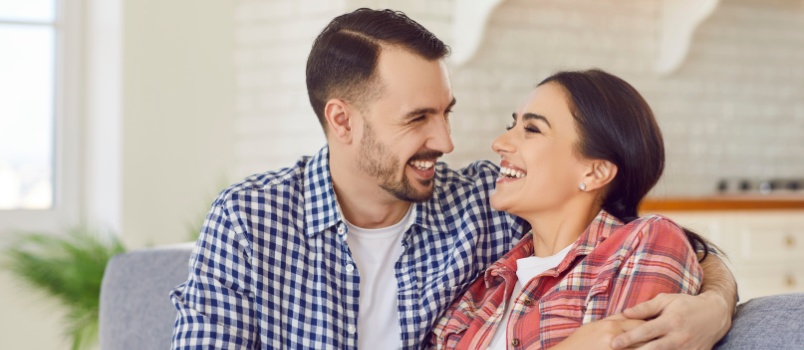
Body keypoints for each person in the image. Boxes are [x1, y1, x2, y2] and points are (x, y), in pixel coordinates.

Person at [170, 8, 737, 350]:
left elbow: (655, 240)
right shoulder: (250, 221)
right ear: (342, 121)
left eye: (446, 112)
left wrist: (715, 304)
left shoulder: (483, 204)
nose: (446, 142)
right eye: (418, 118)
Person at [430, 69, 720, 349]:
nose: (499, 143)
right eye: (512, 126)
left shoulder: (646, 243)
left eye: (532, 129)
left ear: (594, 172)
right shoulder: (486, 288)